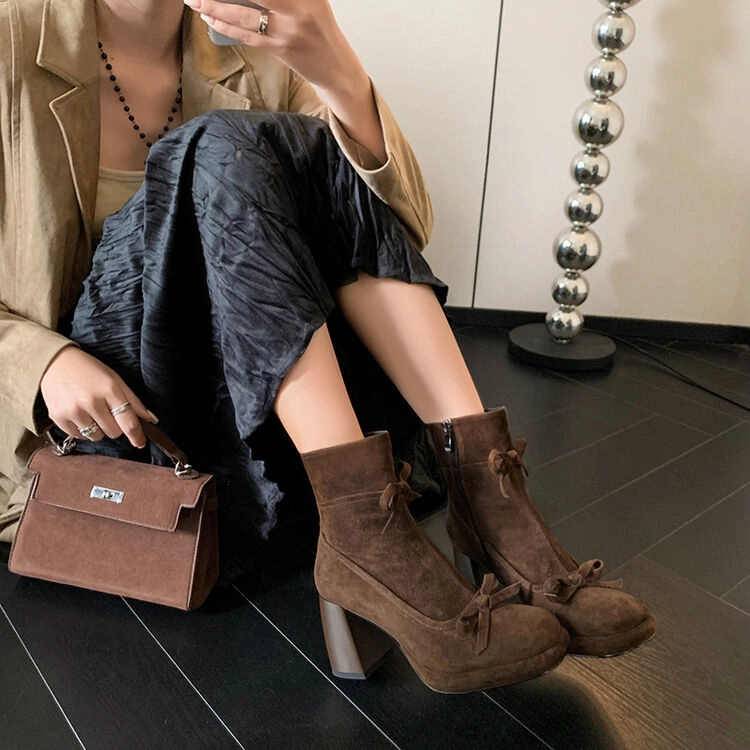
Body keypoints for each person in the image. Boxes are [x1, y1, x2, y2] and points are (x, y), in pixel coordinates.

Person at [0, 0, 655, 693]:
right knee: (219, 145)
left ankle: (484, 493)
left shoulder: (248, 49)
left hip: (247, 393)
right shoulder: (13, 36)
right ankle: (367, 533)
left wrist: (338, 70)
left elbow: (394, 226)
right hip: (112, 417)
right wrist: (43, 361)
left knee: (311, 150)